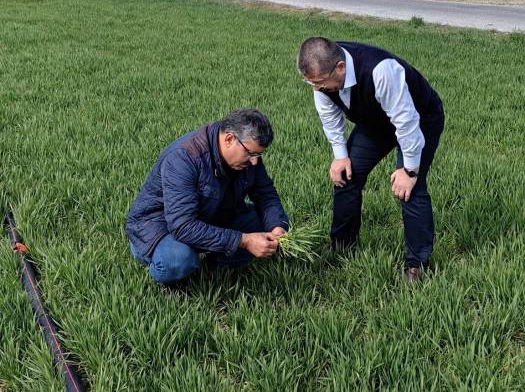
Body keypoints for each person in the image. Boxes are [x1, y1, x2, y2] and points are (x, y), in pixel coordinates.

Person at [297, 37, 444, 283]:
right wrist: (340, 156)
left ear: (340, 67)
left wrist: (409, 171)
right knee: (346, 176)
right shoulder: (321, 79)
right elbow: (329, 115)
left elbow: (406, 124)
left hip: (419, 118)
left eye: (320, 83)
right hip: (375, 121)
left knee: (410, 189)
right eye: (311, 83)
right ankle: (342, 247)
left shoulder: (381, 70)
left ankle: (417, 264)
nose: (317, 89)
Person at [125, 109, 288, 285]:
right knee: (178, 260)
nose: (254, 162)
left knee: (270, 223)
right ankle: (154, 257)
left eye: (259, 155)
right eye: (250, 153)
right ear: (229, 139)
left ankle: (213, 268)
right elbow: (182, 226)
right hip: (160, 226)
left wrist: (277, 227)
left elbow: (265, 194)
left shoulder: (247, 154)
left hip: (209, 214)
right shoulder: (184, 157)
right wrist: (244, 240)